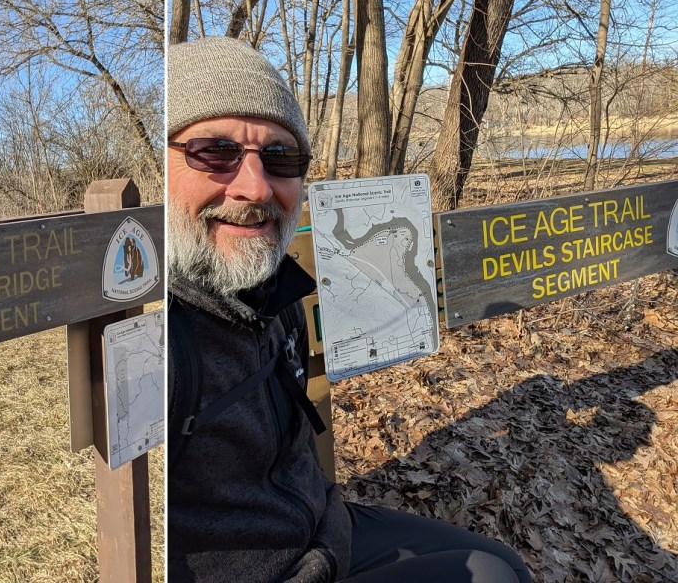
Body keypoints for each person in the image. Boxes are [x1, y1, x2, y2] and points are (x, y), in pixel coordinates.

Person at [166, 36, 532, 583]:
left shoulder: (273, 290)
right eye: (214, 152)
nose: (255, 186)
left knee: (499, 567)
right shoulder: (155, 339)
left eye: (281, 157)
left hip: (326, 530)